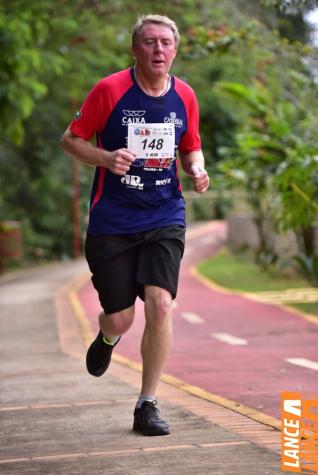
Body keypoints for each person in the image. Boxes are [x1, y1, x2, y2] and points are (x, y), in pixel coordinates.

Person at [61, 14, 209, 436]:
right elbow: (70, 140)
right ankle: (108, 337)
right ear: (135, 49)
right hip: (114, 220)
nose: (158, 50)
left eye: (165, 42)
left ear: (175, 50)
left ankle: (147, 404)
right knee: (122, 318)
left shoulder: (185, 95)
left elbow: (191, 146)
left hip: (164, 213)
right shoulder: (109, 90)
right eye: (149, 42)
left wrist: (197, 170)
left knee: (161, 304)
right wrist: (106, 158)